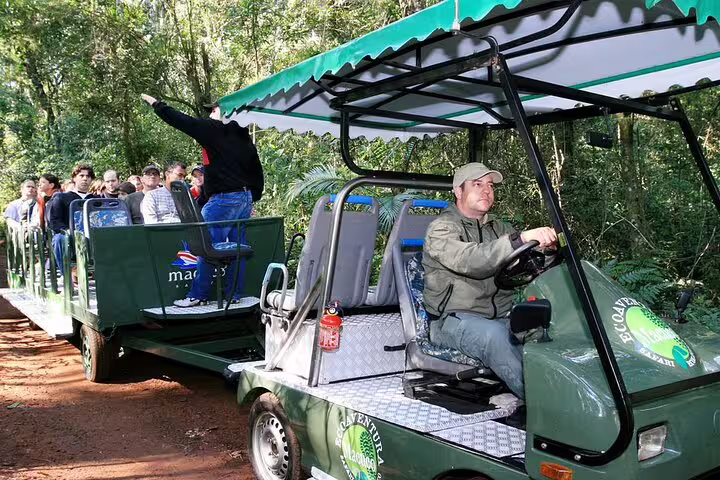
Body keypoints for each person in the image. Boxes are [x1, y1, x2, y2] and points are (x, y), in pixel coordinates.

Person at [422, 163, 557, 400]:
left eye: (490, 185)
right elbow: (472, 259)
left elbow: (524, 265)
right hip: (452, 322)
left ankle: (577, 394)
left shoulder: (500, 228)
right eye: (477, 184)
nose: (486, 190)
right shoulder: (441, 229)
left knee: (548, 327)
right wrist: (521, 239)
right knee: (495, 337)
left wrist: (547, 252)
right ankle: (546, 407)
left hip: (502, 317)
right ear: (458, 191)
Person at [141, 93, 264, 307]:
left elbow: (182, 121)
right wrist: (252, 196)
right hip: (243, 198)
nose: (210, 113)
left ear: (226, 112)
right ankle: (234, 294)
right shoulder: (244, 136)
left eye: (214, 109)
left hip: (225, 199)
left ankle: (198, 295)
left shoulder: (215, 130)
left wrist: (158, 105)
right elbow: (256, 170)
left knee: (203, 244)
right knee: (238, 248)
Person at [48, 165, 98, 271]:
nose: (85, 178)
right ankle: (67, 274)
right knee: (59, 239)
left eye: (88, 176)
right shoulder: (61, 197)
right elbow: (54, 221)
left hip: (93, 235)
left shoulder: (96, 199)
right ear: (74, 177)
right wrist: (69, 232)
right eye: (81, 175)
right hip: (70, 236)